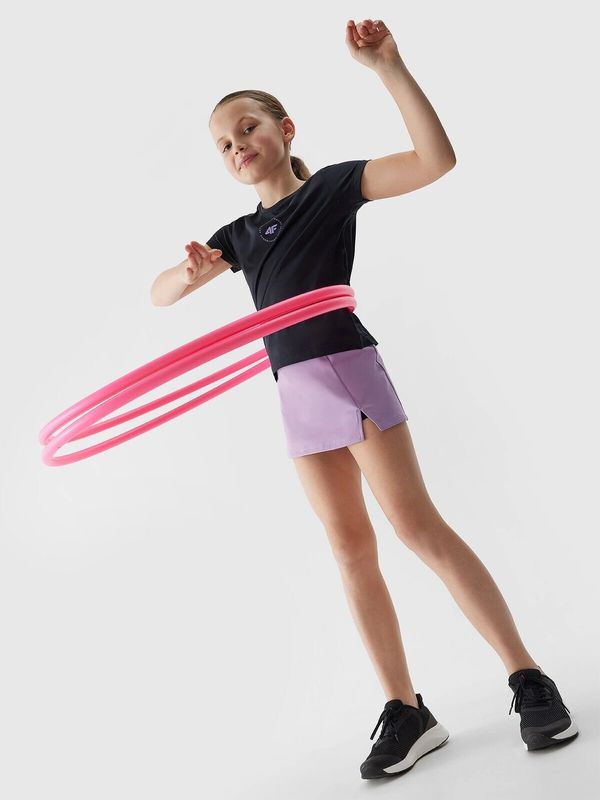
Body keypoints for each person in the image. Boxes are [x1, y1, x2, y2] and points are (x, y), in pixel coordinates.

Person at [150, 17, 578, 780]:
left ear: (284, 129)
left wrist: (389, 68)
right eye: (222, 143)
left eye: (246, 127)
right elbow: (159, 295)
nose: (236, 145)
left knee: (418, 528)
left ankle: (527, 676)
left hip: (348, 371)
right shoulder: (237, 237)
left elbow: (435, 161)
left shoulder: (330, 189)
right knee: (349, 549)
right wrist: (188, 272)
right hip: (295, 395)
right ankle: (406, 710)